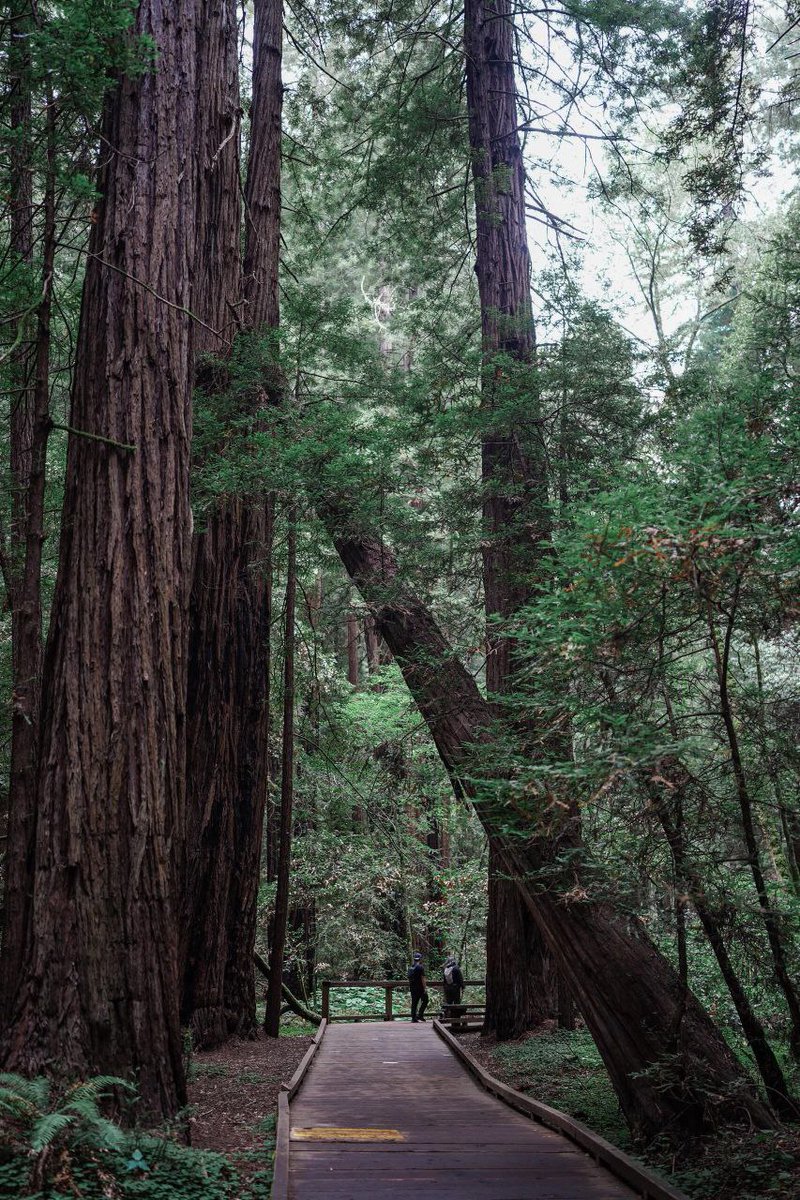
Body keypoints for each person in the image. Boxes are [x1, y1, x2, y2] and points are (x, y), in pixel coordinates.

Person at [407, 950, 428, 1023]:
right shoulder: (420, 967)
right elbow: (422, 978)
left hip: (412, 987)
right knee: (425, 1000)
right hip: (420, 988)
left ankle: (413, 1018)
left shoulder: (411, 967)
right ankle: (420, 1015)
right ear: (420, 959)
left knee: (414, 1002)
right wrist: (425, 988)